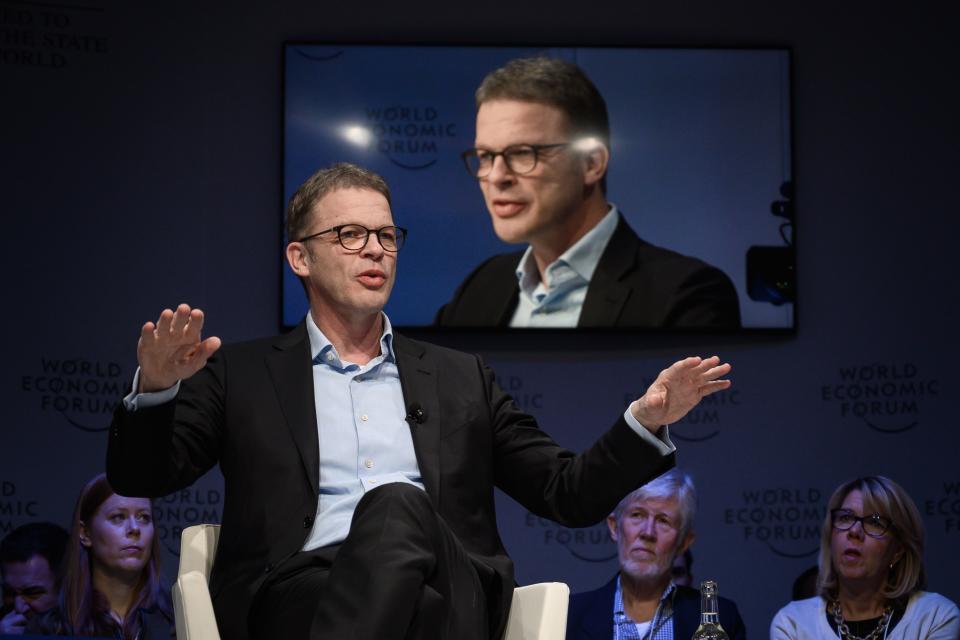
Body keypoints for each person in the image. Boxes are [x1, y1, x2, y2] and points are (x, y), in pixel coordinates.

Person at [106, 162, 733, 640]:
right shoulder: (240, 374)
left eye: (386, 234)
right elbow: (143, 476)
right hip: (299, 593)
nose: (376, 249)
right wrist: (158, 389)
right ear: (300, 256)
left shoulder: (461, 378)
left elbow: (566, 493)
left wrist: (645, 421)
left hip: (451, 586)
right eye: (350, 235)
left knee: (397, 506)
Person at [435, 56, 741, 329]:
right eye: (486, 156)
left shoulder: (687, 294)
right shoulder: (480, 288)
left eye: (523, 153)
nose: (497, 176)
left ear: (592, 163)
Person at [771, 476, 959, 640]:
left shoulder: (935, 616)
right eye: (845, 518)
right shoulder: (793, 622)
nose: (854, 531)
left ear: (898, 551)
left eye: (874, 522)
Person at [567, 469, 745, 640]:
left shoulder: (721, 620)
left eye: (663, 521)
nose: (648, 532)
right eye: (637, 515)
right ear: (614, 527)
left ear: (683, 542)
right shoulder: (569, 616)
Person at [27, 473, 173, 639]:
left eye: (143, 517)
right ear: (85, 533)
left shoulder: (180, 622)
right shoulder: (49, 629)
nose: (135, 528)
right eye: (118, 517)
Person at [0, 522, 68, 635]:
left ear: (65, 590)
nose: (18, 607)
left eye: (32, 593)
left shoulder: (97, 630)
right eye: (9, 593)